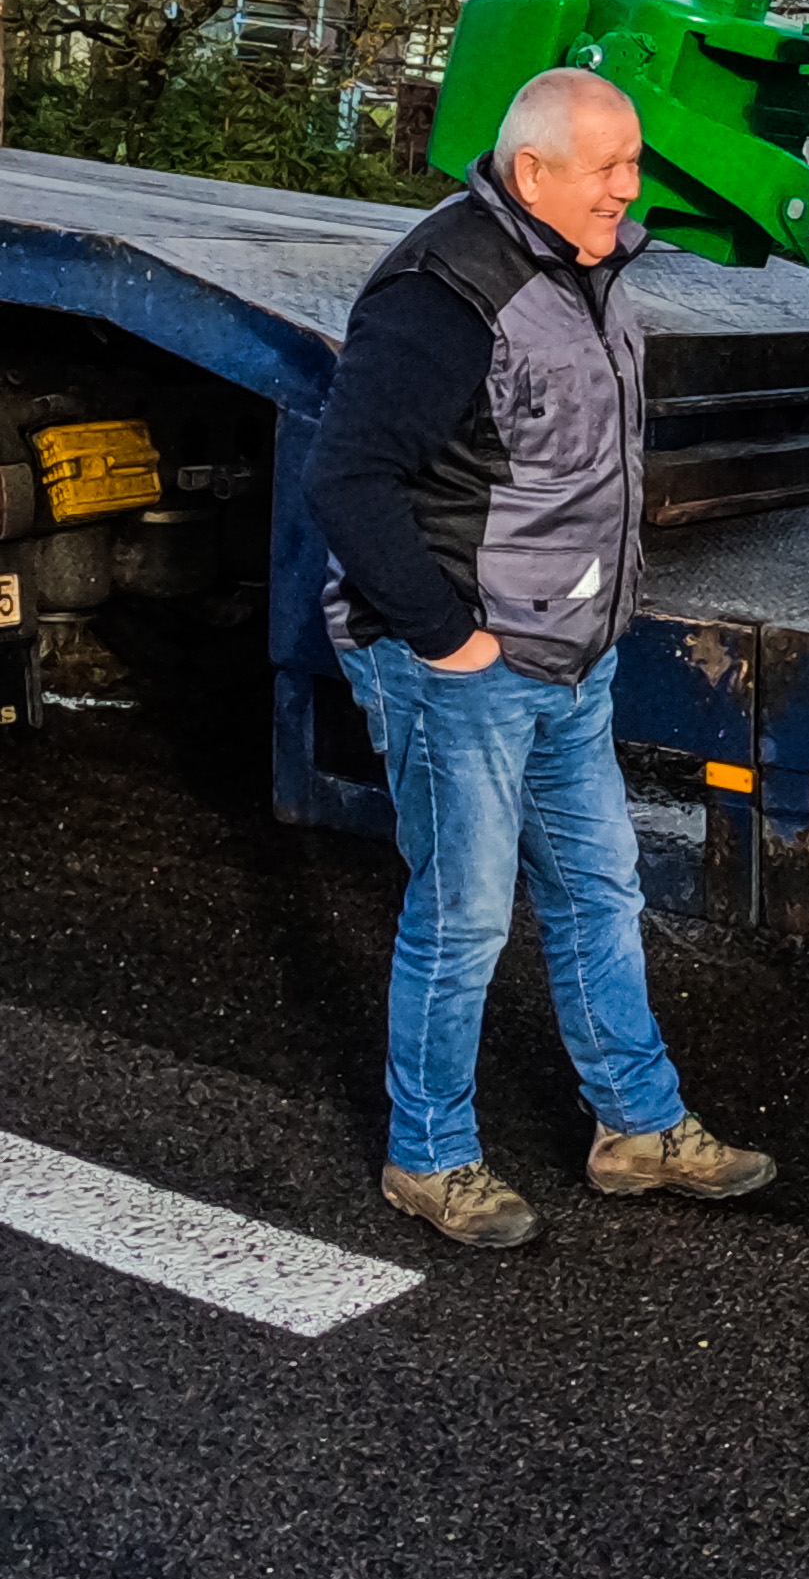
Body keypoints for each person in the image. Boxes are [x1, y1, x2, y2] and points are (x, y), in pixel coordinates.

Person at [317, 65, 777, 1249]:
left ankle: (637, 1125)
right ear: (531, 171)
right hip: (465, 666)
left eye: (632, 161)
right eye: (608, 167)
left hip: (573, 660)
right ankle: (429, 1155)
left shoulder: (593, 268)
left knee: (598, 892)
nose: (630, 187)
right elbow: (348, 481)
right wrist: (446, 638)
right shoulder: (443, 291)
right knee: (464, 915)